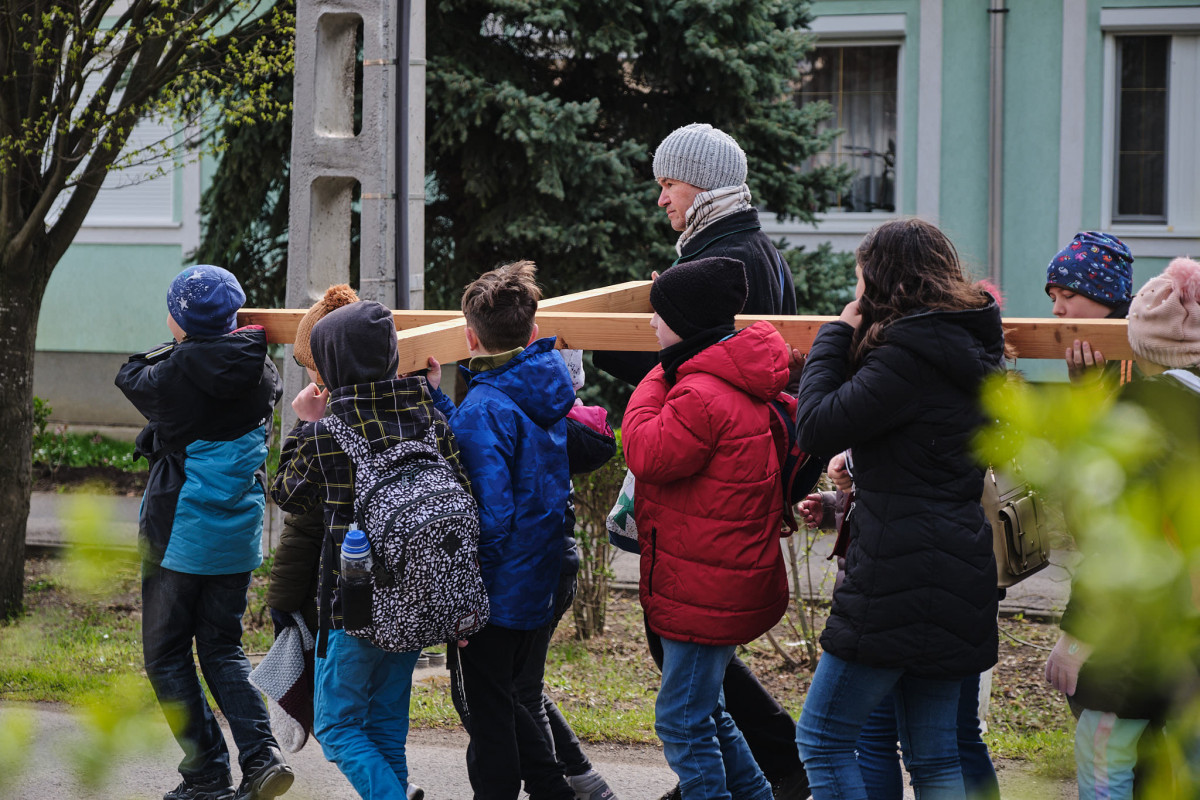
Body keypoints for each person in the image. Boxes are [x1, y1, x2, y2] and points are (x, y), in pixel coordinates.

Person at [594, 122, 810, 800]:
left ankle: (774, 766)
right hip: (734, 484)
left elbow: (701, 366)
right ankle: (762, 775)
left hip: (714, 494)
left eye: (669, 184)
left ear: (705, 185)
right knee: (689, 656)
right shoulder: (742, 249)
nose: (660, 199)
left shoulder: (731, 258)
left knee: (682, 660)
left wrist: (611, 346)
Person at [793, 218, 1005, 800]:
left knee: (822, 741)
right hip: (960, 566)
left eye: (860, 281)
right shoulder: (972, 350)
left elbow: (813, 424)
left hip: (894, 573)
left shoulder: (905, 359)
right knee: (936, 758)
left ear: (880, 283)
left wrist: (836, 333)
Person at [271, 300, 462, 800]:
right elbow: (463, 490)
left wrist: (305, 425)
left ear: (329, 367)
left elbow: (287, 494)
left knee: (336, 726)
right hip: (418, 598)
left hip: (352, 604)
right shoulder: (428, 419)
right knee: (383, 727)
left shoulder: (329, 434)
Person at [115, 265, 292, 800]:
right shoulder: (263, 372)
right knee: (222, 648)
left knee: (166, 655)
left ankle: (207, 774)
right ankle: (262, 758)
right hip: (236, 536)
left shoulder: (173, 376)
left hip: (179, 536)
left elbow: (128, 374)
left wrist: (183, 345)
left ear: (180, 321)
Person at [622, 256, 792, 800]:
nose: (651, 324)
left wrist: (656, 373)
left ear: (686, 325)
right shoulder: (726, 380)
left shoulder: (699, 393)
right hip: (717, 579)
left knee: (681, 721)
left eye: (659, 314)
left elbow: (647, 451)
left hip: (704, 588)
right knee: (708, 711)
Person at [1045, 257, 1200, 800]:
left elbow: (1112, 534)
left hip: (1140, 635)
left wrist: (1076, 639)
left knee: (1104, 750)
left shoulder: (1142, 415)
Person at [425, 260, 577, 800]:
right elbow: (500, 434)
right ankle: (553, 790)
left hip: (494, 592)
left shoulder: (482, 410)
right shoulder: (548, 384)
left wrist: (468, 600)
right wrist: (444, 404)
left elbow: (491, 517)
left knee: (487, 714)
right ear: (533, 332)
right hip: (538, 575)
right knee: (510, 699)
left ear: (469, 338)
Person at [800, 453, 1001, 800]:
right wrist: (840, 502)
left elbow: (908, 481)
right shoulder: (977, 403)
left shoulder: (894, 399)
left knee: (853, 738)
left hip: (890, 586)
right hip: (960, 578)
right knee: (942, 749)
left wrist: (850, 468)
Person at [1044, 231, 1135, 385]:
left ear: (1106, 295)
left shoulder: (1137, 348)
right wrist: (1084, 386)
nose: (1056, 310)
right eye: (1053, 299)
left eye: (1068, 296)